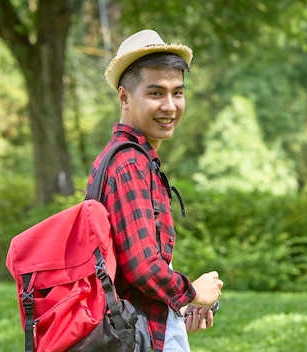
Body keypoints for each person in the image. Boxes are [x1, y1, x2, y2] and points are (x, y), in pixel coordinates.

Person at [87, 29, 224, 352]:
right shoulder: (130, 163)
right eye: (156, 93)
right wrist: (192, 292)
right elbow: (142, 266)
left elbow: (128, 266)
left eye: (177, 93)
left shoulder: (123, 157)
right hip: (138, 337)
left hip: (141, 326)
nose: (170, 105)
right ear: (124, 97)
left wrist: (179, 307)